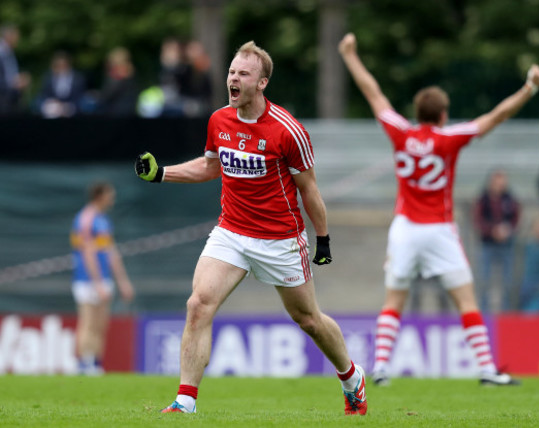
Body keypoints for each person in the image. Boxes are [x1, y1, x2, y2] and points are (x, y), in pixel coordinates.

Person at [135, 41, 367, 415]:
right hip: (231, 232)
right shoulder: (219, 120)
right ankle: (185, 401)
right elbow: (211, 167)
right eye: (231, 71)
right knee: (198, 305)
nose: (233, 78)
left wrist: (322, 239)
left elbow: (309, 189)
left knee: (308, 320)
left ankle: (351, 378)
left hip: (281, 239)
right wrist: (163, 173)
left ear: (262, 83)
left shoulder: (287, 131)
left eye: (243, 74)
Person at [339, 32, 539, 386]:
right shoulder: (449, 138)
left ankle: (382, 368)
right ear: (444, 115)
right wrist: (530, 88)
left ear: (418, 113)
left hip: (404, 228)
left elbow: (373, 92)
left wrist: (350, 56)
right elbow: (496, 116)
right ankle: (486, 370)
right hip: (438, 229)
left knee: (394, 300)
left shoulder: (400, 132)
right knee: (466, 299)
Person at [70, 182, 135, 374]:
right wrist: (97, 282)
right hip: (86, 280)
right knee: (88, 321)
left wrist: (123, 282)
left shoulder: (104, 220)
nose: (112, 198)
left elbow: (111, 253)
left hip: (104, 279)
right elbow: (88, 253)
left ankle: (95, 364)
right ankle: (83, 363)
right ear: (100, 196)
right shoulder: (86, 219)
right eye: (110, 194)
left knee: (101, 324)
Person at [473, 169, 521, 312]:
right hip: (487, 244)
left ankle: (507, 310)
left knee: (508, 280)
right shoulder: (483, 199)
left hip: (506, 244)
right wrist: (492, 231)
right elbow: (478, 219)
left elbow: (515, 218)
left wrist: (507, 231)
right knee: (485, 279)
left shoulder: (510, 200)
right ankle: (484, 310)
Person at [37, 51, 86, 118]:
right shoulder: (48, 78)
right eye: (58, 65)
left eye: (63, 65)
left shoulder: (77, 78)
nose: (61, 68)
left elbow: (80, 96)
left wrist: (66, 105)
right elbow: (44, 94)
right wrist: (53, 102)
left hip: (71, 105)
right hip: (53, 105)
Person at [0, 24, 30, 114]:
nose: (18, 39)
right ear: (9, 36)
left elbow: (9, 73)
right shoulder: (2, 52)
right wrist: (13, 83)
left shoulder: (10, 51)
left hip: (12, 96)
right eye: (16, 36)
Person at [99, 47, 138, 116]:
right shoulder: (130, 71)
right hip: (130, 110)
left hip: (116, 111)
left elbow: (109, 93)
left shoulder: (117, 73)